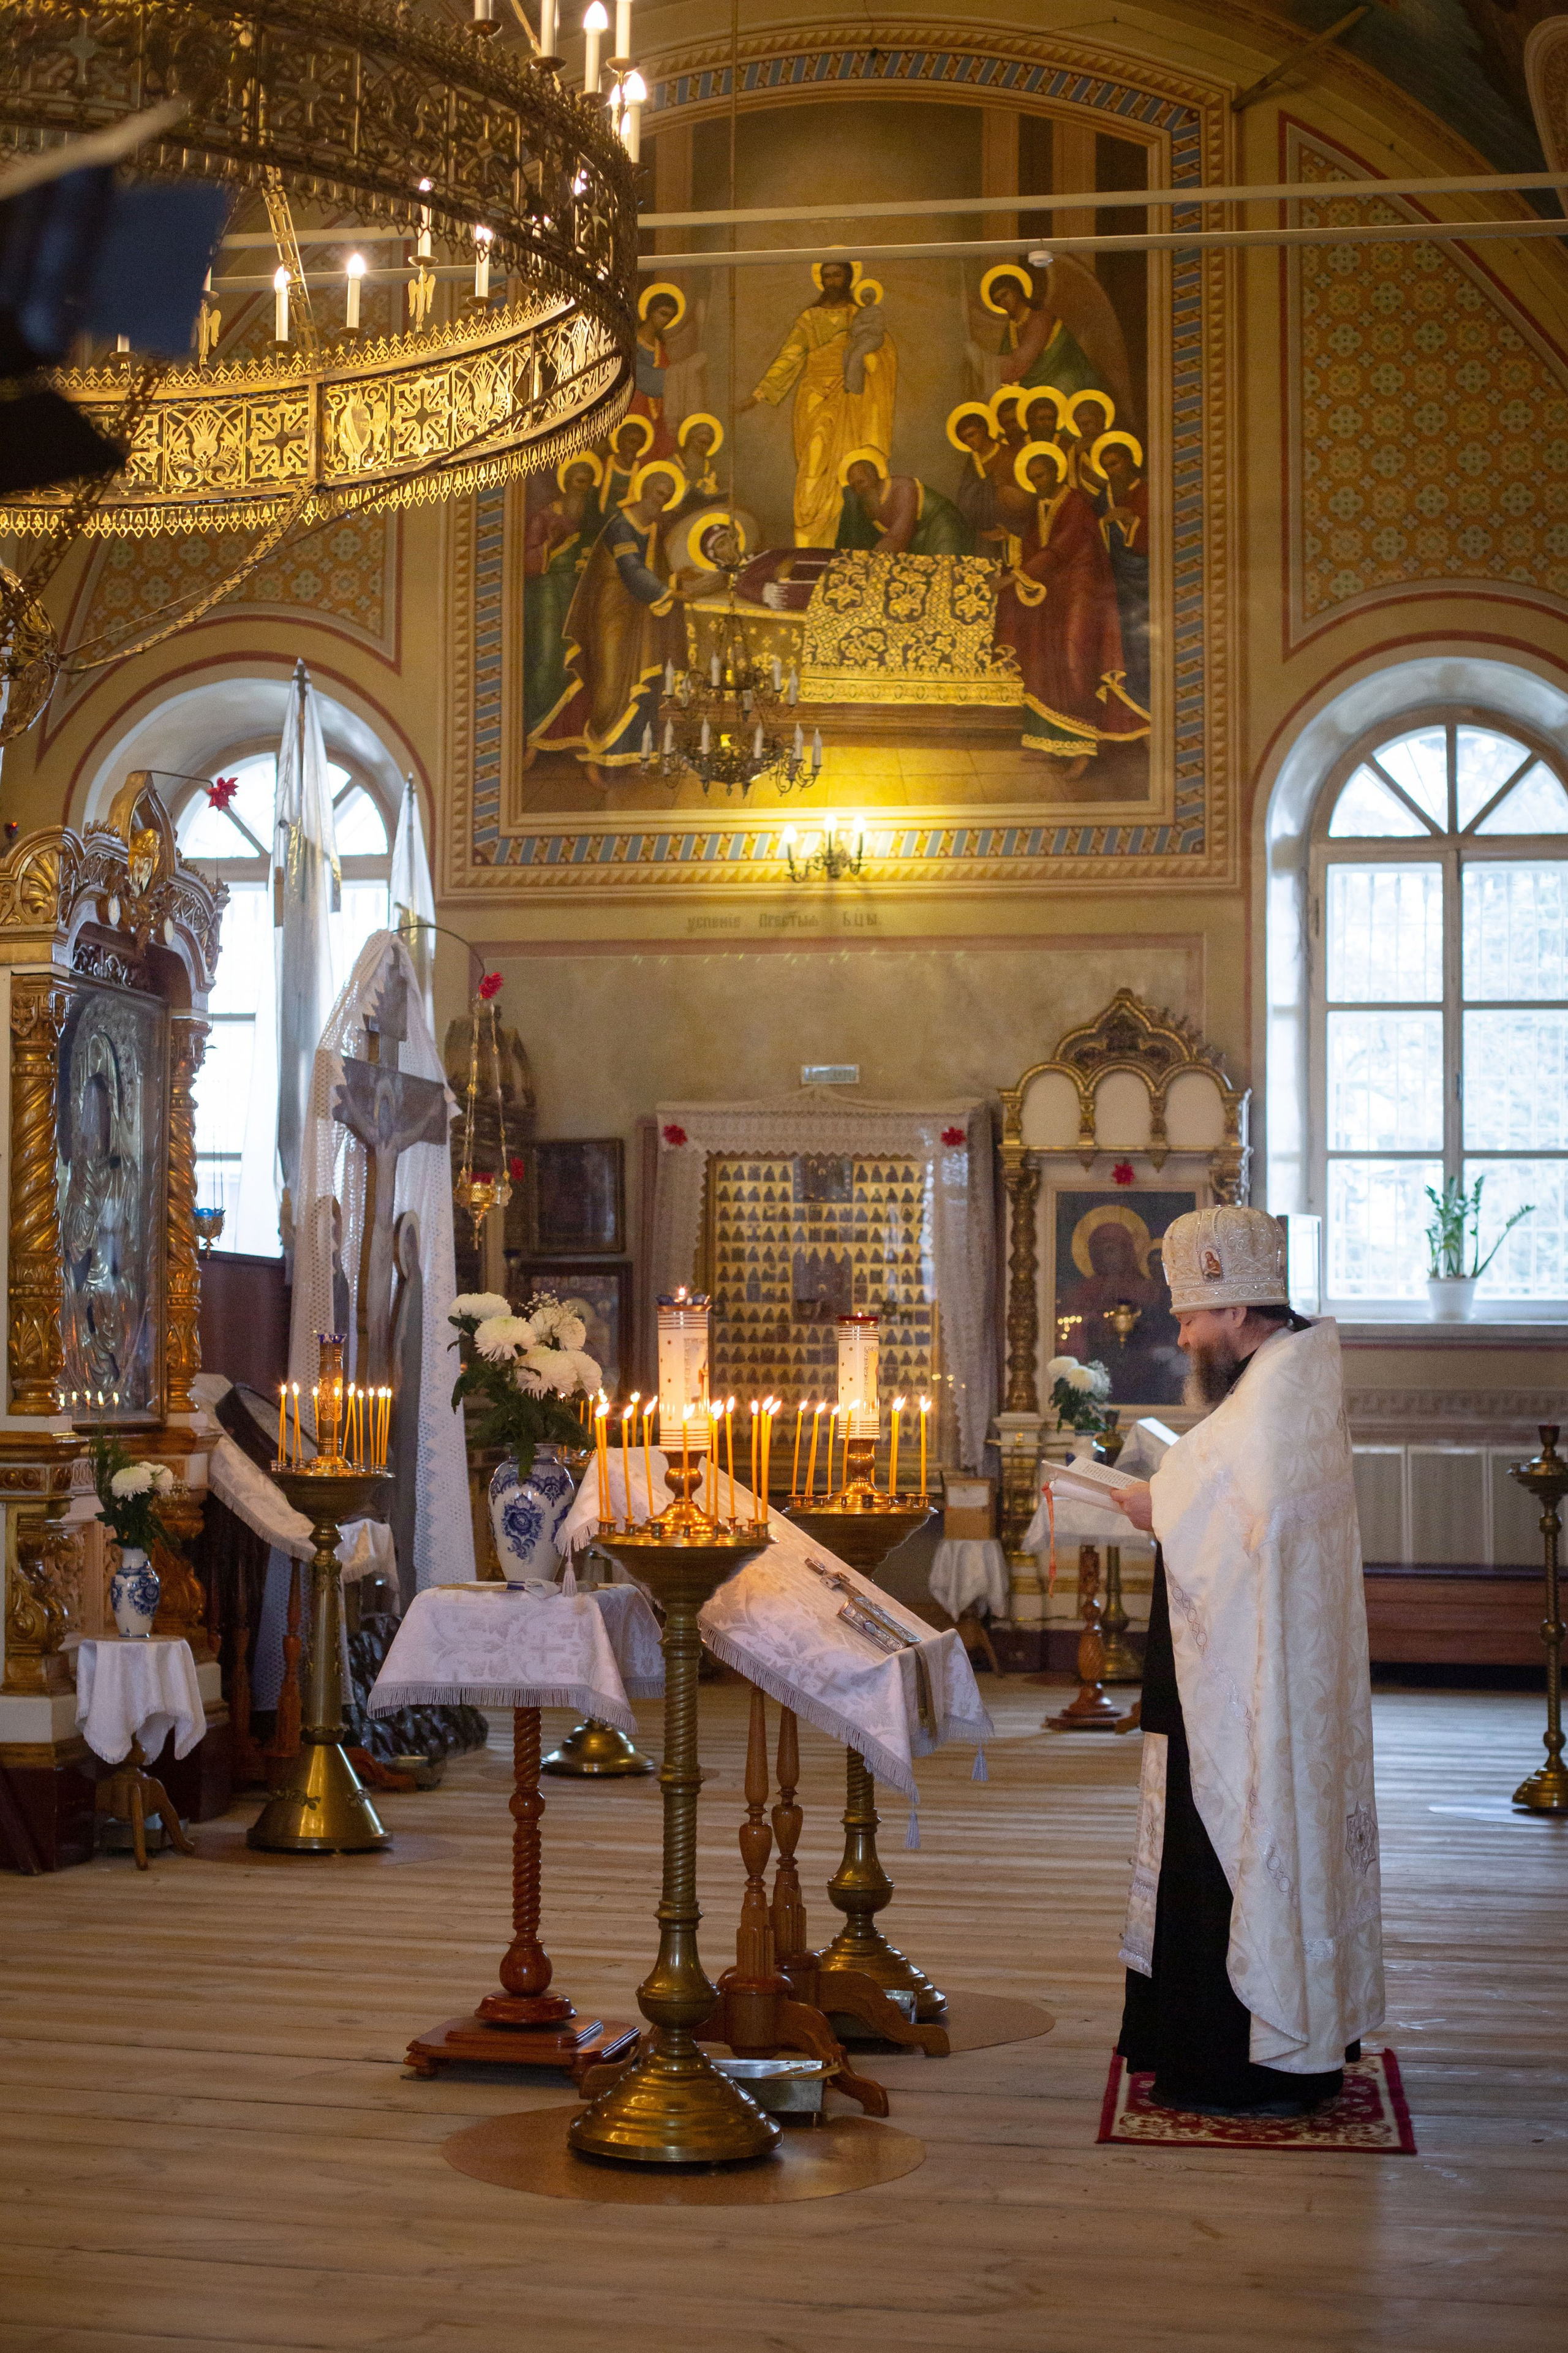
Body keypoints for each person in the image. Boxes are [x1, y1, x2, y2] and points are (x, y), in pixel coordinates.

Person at [1110, 1206, 1385, 2116]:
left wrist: (1157, 1506)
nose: (1184, 1335)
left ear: (1233, 1310)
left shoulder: (1271, 1399)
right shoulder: (1296, 1379)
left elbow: (1222, 1506)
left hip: (1249, 1687)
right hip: (1266, 1665)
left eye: (1192, 1316)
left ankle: (1237, 2060)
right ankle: (1288, 2040)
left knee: (1228, 1842)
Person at [527, 458, 689, 780]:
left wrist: (674, 583)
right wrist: (666, 593)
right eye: (659, 493)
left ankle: (629, 755)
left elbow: (657, 568)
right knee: (612, 681)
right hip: (611, 610)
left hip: (641, 612)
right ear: (644, 490)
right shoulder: (621, 525)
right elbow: (630, 569)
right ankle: (597, 757)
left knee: (642, 684)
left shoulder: (654, 529)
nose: (661, 501)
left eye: (667, 497)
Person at [993, 439, 1147, 771]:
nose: (1037, 482)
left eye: (1042, 475)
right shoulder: (1042, 506)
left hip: (1082, 592)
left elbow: (1061, 548)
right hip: (1053, 593)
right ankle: (1047, 742)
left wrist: (1018, 576)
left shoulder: (1076, 504)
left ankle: (1083, 749)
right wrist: (1015, 551)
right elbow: (1038, 545)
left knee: (1076, 664)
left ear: (1056, 472)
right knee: (1044, 661)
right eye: (1032, 478)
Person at [739, 259, 897, 547]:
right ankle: (810, 539)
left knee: (848, 467)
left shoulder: (860, 315)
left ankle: (844, 540)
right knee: (813, 459)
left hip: (850, 396)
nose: (831, 281)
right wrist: (759, 395)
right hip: (813, 395)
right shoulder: (809, 319)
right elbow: (791, 356)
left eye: (837, 275)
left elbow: (881, 349)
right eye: (826, 276)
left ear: (848, 279)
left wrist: (866, 360)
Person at [522, 453, 600, 742]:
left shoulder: (590, 521)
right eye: (579, 483)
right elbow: (527, 560)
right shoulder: (545, 517)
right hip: (548, 594)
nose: (583, 490)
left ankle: (573, 734)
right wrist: (550, 546)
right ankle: (537, 732)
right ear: (567, 483)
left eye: (588, 485)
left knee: (579, 661)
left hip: (578, 595)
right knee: (549, 657)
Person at [982, 259, 1102, 400]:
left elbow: (1019, 364)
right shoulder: (1011, 328)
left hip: (1063, 381)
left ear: (1018, 290)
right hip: (1032, 387)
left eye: (1005, 295)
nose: (1004, 303)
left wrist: (982, 361)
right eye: (998, 301)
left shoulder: (1040, 319)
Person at [1092, 429, 1150, 716]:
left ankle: (1146, 704)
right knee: (1118, 641)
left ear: (1129, 462)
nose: (1110, 471)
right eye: (1106, 467)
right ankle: (1124, 711)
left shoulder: (1147, 491)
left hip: (1143, 579)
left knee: (1142, 639)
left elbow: (1159, 533)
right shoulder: (1105, 496)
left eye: (1114, 464)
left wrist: (1130, 519)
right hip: (1113, 578)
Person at [834, 446, 968, 556]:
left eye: (861, 482)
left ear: (873, 475)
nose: (859, 490)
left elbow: (899, 534)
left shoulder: (903, 488)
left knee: (946, 569)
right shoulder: (869, 505)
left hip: (943, 524)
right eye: (854, 486)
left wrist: (873, 558)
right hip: (919, 534)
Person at [628, 282, 684, 456]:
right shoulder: (631, 340)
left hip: (657, 411)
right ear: (650, 311)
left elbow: (668, 380)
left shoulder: (661, 347)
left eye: (670, 317)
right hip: (633, 404)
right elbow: (636, 372)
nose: (665, 320)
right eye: (663, 314)